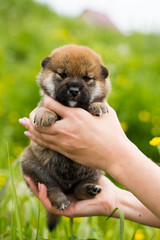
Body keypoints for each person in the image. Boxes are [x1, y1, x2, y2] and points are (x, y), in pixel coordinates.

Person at [19, 95, 160, 228]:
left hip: (85, 175)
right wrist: (115, 200)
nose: (74, 87)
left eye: (87, 79)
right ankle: (55, 191)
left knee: (92, 178)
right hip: (47, 172)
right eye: (62, 75)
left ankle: (83, 189)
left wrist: (114, 153)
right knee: (28, 160)